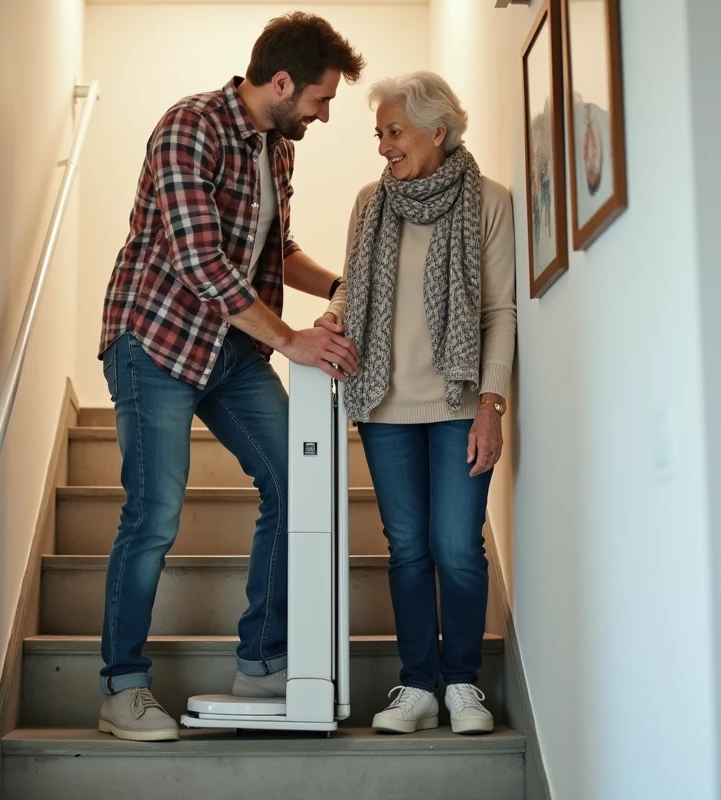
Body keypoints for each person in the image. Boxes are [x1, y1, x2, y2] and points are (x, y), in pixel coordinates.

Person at [96, 13, 364, 742]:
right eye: (320, 98)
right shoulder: (190, 126)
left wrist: (345, 286)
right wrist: (290, 342)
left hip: (230, 351)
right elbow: (199, 261)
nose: (325, 113)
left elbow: (279, 251)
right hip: (155, 340)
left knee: (296, 478)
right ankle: (122, 686)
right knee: (154, 513)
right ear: (281, 83)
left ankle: (264, 659)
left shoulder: (278, 149)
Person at [321, 72, 516, 736]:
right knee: (406, 548)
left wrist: (492, 403)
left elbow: (498, 310)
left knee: (456, 546)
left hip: (461, 402)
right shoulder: (367, 205)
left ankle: (463, 682)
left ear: (438, 129)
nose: (383, 147)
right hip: (383, 404)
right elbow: (354, 291)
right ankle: (417, 684)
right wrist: (330, 320)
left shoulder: (489, 202)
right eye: (379, 134)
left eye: (394, 131)